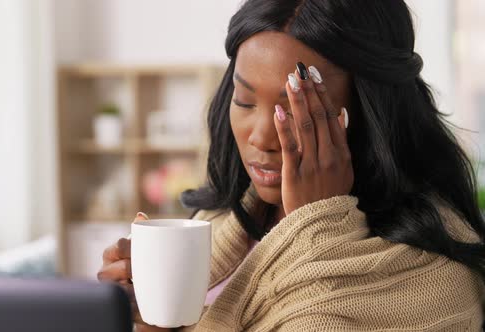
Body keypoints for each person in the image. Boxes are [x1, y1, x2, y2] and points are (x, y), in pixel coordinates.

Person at [98, 0, 485, 331]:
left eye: (297, 112)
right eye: (245, 102)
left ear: (373, 114)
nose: (262, 138)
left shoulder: (433, 273)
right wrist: (146, 319)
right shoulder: (218, 220)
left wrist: (317, 222)